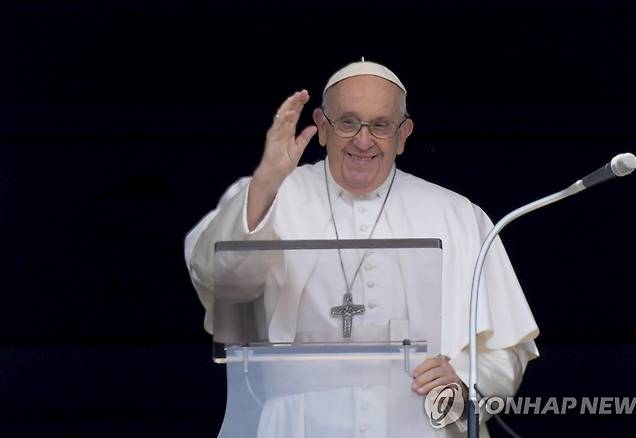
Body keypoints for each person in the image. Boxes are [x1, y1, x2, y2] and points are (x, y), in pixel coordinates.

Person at [184, 60, 539, 437]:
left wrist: (466, 380)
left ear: (403, 135)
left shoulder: (457, 215)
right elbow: (220, 278)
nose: (363, 140)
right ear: (322, 127)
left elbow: (506, 348)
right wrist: (268, 177)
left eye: (381, 125)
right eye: (347, 122)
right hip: (294, 427)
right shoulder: (268, 197)